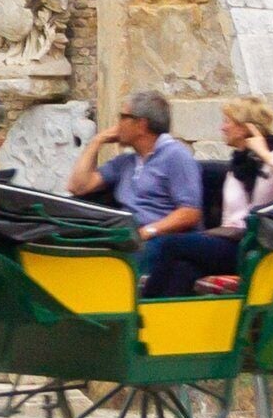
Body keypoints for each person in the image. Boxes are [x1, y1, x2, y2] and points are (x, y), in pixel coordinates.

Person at [130, 98, 273, 296]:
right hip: (230, 241)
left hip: (257, 246)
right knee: (183, 269)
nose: (222, 128)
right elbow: (229, 220)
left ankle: (142, 306)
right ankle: (158, 312)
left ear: (244, 128)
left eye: (227, 121)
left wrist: (264, 154)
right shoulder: (238, 166)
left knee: (169, 244)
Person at [68, 89, 211, 292]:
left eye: (122, 117)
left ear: (141, 124)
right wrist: (96, 141)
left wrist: (148, 231)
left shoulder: (176, 156)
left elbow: (190, 212)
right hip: (126, 235)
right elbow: (78, 186)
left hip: (160, 239)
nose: (117, 125)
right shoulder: (126, 161)